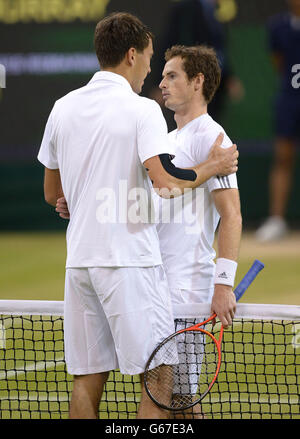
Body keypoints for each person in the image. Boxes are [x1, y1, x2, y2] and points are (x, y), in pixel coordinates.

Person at [38, 12, 238, 419]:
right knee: (161, 378)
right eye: (149, 59)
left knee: (87, 380)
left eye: (169, 73)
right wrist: (211, 168)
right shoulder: (143, 113)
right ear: (131, 55)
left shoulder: (62, 107)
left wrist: (81, 200)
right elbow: (165, 182)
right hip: (131, 264)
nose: (154, 73)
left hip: (81, 265)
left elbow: (53, 195)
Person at [155, 44, 242, 417]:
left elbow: (232, 215)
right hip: (157, 284)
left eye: (172, 75)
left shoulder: (213, 136)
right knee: (164, 395)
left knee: (182, 401)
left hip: (188, 289)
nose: (162, 83)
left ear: (197, 81)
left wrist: (223, 284)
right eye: (162, 75)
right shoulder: (166, 139)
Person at [255, 0, 300, 242]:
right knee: (283, 157)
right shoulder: (278, 27)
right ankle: (277, 219)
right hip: (289, 101)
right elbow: (279, 63)